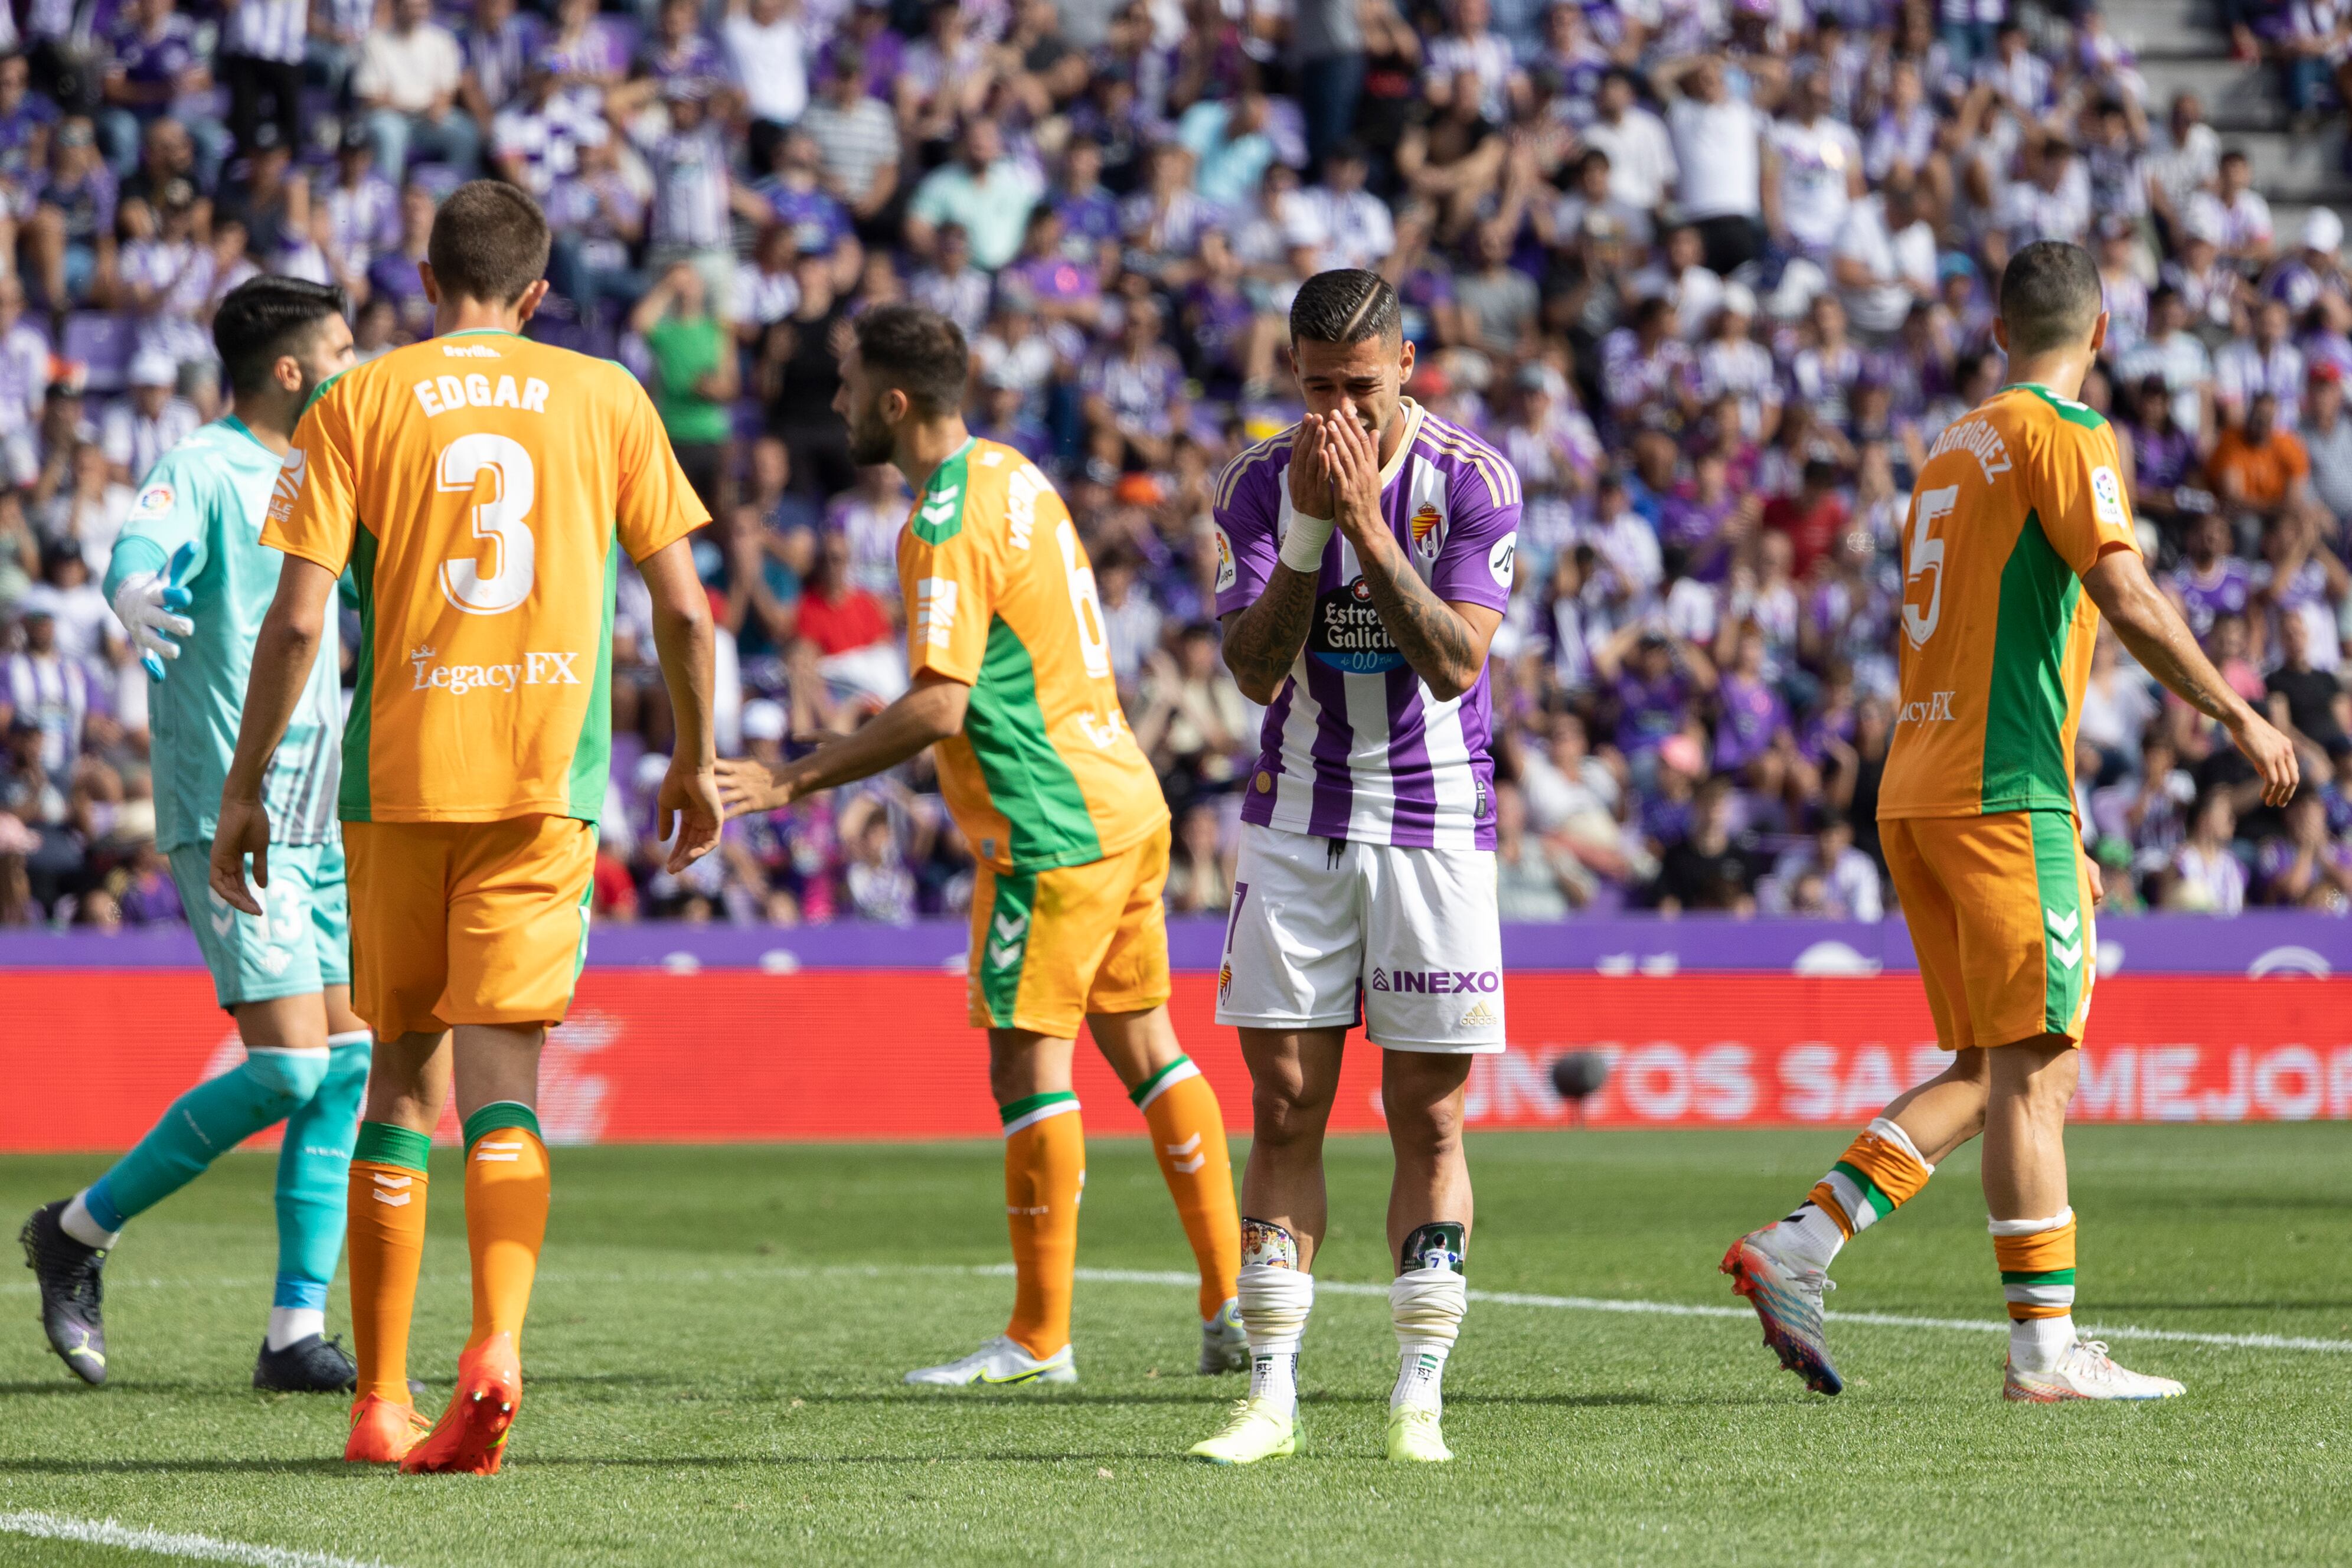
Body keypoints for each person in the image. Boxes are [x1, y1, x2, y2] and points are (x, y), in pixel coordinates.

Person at [1721, 240, 2298, 1403]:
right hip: (1998, 792)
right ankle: (2044, 1351)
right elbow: (2122, 590)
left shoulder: (1949, 450)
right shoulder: (2068, 433)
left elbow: (1990, 641)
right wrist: (2240, 711)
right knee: (2039, 1074)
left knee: (1989, 1067)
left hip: (1922, 784)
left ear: (1996, 331)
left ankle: (1800, 1245)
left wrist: (2065, 823)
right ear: (2101, 334)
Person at [209, 181, 722, 1472]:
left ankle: (378, 1398)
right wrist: (699, 758)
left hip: (398, 786)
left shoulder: (358, 399)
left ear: (424, 276)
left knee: (398, 1078)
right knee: (505, 1093)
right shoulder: (607, 396)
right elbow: (687, 613)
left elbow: (295, 620)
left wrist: (245, 784)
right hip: (543, 786)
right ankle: (494, 1342)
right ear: (538, 292)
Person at [713, 304, 1245, 1389]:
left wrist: (790, 776)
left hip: (1047, 828)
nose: (837, 402)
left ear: (894, 402)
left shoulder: (941, 523)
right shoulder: (1018, 472)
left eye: (850, 383)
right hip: (1123, 801)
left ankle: (1042, 1339)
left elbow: (941, 706)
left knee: (1026, 1062)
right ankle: (1229, 1303)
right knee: (1150, 1049)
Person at [1192, 269, 1520, 1467]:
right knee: (1284, 1107)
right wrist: (1313, 531)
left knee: (1427, 1115)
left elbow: (1450, 664)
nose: (1343, 412)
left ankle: (1416, 1394)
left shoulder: (1473, 481)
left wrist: (1369, 527)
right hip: (1295, 819)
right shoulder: (1251, 485)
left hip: (1435, 826)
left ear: (1408, 366)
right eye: (1320, 387)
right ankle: (1270, 1394)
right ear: (1293, 374)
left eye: (1365, 390)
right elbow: (1250, 667)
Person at [19, 278, 368, 1396]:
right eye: (345, 351)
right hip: (235, 806)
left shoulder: (326, 478)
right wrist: (131, 597)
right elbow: (142, 548)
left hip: (320, 807)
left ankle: (291, 1334)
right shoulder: (205, 466)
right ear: (291, 370)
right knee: (287, 1066)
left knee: (347, 1061)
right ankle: (76, 1231)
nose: (357, 369)